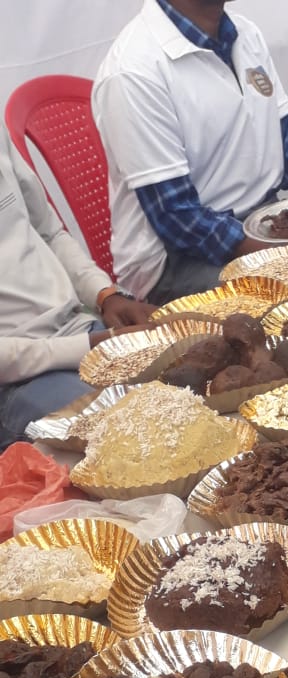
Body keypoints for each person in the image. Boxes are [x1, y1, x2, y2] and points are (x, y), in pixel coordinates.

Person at [92, 0, 288, 306]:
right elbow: (178, 218)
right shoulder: (133, 72)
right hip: (174, 263)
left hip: (260, 222)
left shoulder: (244, 33)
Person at [0, 126, 156, 451]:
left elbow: (49, 232)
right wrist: (88, 345)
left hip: (81, 328)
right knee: (133, 438)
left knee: (206, 379)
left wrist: (106, 295)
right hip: (19, 378)